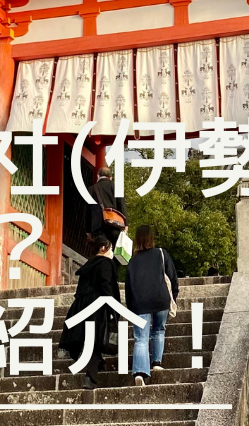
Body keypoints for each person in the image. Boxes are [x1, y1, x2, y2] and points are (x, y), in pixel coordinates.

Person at [59, 233, 120, 389]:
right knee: (95, 341)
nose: (112, 252)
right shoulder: (105, 263)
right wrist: (114, 307)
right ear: (103, 248)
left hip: (81, 305)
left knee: (90, 338)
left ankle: (98, 363)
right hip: (98, 306)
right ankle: (90, 377)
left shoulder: (88, 265)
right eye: (111, 248)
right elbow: (106, 285)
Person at [124, 224, 178, 386]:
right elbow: (172, 277)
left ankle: (139, 372)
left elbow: (128, 286)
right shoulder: (161, 253)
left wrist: (131, 307)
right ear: (151, 238)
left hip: (140, 302)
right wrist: (173, 297)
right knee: (159, 329)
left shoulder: (133, 261)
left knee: (141, 337)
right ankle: (156, 363)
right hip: (161, 298)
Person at [87, 165, 127, 244]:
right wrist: (126, 224)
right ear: (110, 177)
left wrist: (88, 230)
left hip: (98, 226)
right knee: (113, 249)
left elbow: (88, 211)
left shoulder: (91, 189)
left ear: (98, 176)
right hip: (115, 225)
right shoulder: (116, 188)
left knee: (101, 248)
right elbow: (122, 206)